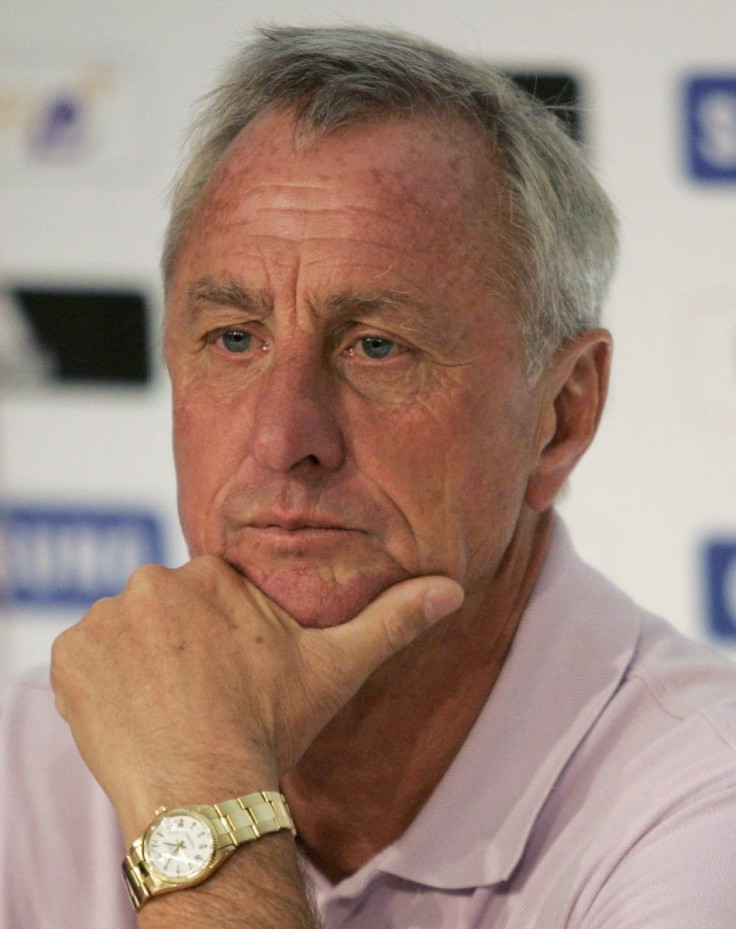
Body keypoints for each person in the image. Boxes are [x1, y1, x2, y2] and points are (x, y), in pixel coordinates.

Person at [2, 25, 735, 929]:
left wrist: (201, 795)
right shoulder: (25, 760)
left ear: (562, 415)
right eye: (234, 338)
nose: (284, 438)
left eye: (377, 347)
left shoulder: (706, 797)